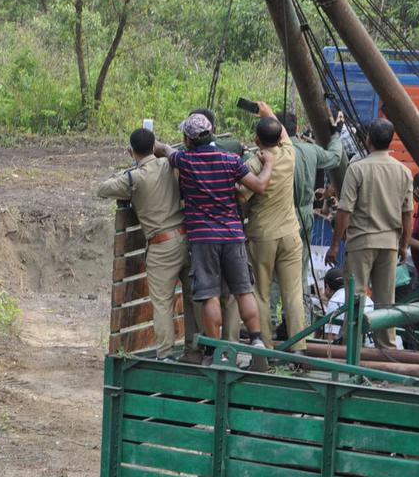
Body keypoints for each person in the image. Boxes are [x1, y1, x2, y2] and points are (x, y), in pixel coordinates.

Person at [156, 113, 276, 367]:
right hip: (232, 235)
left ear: (188, 139)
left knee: (209, 294)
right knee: (243, 290)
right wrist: (268, 164)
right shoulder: (231, 160)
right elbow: (259, 186)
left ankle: (217, 352)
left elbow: (167, 152)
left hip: (202, 238)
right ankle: (256, 340)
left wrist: (157, 146)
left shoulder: (185, 161)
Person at [97, 128, 201, 361]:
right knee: (192, 299)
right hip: (186, 238)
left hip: (161, 246)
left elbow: (102, 188)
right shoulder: (170, 164)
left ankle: (165, 353)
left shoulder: (135, 178)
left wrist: (127, 172)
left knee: (163, 303)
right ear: (155, 145)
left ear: (131, 151)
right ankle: (195, 349)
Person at [326, 118, 413, 350]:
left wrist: (335, 245)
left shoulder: (358, 168)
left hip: (361, 242)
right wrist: (404, 245)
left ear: (368, 140)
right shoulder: (404, 171)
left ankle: (351, 347)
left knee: (356, 297)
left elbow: (345, 211)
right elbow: (408, 214)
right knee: (386, 300)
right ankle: (386, 350)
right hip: (390, 244)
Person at [239, 102, 306, 354]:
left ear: (256, 139)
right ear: (280, 137)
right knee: (293, 294)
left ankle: (264, 348)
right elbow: (284, 135)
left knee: (262, 294)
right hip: (290, 233)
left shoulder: (254, 164)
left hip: (263, 236)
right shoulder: (289, 154)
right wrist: (265, 110)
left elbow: (242, 196)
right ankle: (299, 347)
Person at [280, 110, 345, 288]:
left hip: (281, 219)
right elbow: (335, 157)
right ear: (297, 128)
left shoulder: (274, 154)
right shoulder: (310, 150)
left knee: (276, 275)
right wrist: (336, 134)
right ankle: (301, 309)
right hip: (305, 216)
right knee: (300, 269)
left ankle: (273, 315)